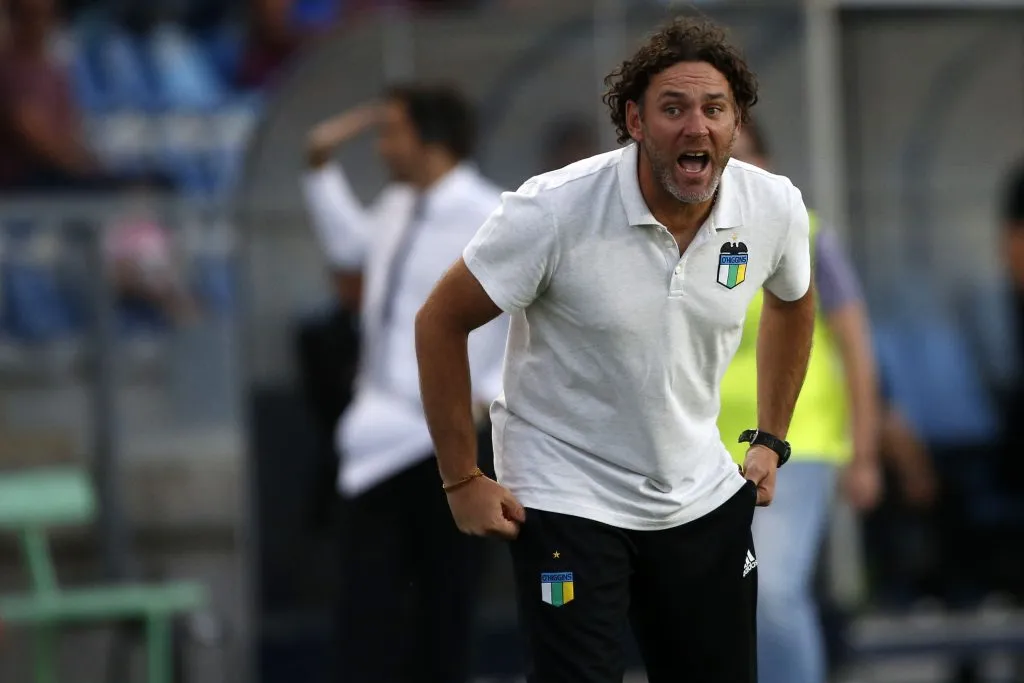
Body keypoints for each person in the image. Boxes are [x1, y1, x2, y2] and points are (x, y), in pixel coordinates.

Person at [414, 17, 815, 683]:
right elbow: (439, 321)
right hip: (567, 499)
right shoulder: (553, 210)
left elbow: (794, 299)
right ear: (633, 119)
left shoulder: (772, 205)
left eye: (715, 109)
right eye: (672, 108)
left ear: (736, 122)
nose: (697, 127)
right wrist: (462, 477)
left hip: (700, 495)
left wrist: (771, 437)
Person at [300, 84, 508, 683]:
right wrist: (317, 163)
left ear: (430, 139)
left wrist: (488, 392)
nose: (383, 147)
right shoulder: (394, 207)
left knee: (445, 604)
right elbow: (350, 246)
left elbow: (527, 312)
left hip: (449, 433)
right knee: (368, 608)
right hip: (378, 432)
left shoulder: (492, 213)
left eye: (391, 132)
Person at [716, 117, 882, 683]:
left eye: (746, 159)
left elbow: (857, 345)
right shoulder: (690, 242)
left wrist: (864, 452)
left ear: (768, 165)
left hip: (795, 442)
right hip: (705, 449)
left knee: (773, 587)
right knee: (722, 592)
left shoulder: (807, 234)